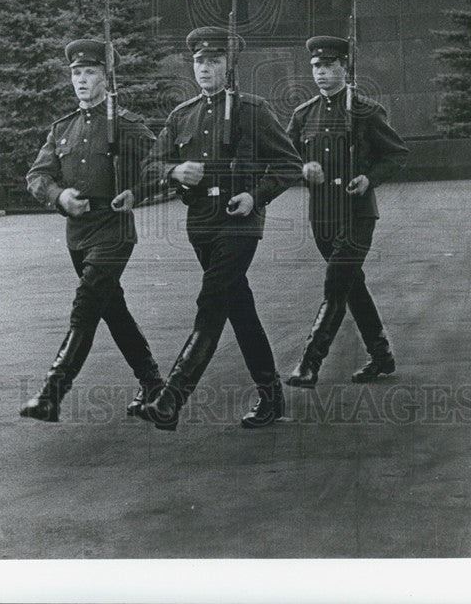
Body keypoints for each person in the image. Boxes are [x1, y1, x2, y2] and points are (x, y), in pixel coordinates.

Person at [135, 26, 303, 431]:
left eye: (214, 60)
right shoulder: (183, 115)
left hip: (240, 221)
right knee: (238, 306)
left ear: (230, 65)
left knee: (212, 302)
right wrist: (175, 169)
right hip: (201, 223)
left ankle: (171, 397)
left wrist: (255, 196)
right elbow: (149, 166)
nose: (205, 68)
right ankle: (272, 395)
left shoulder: (253, 110)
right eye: (198, 61)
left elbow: (289, 164)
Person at [20, 38, 163, 423]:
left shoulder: (127, 125)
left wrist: (139, 191)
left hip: (113, 229)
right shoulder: (62, 129)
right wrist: (58, 194)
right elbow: (37, 175)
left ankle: (51, 394)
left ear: (106, 78)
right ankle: (153, 383)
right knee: (111, 309)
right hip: (78, 235)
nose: (81, 80)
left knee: (85, 307)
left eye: (90, 73)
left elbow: (160, 165)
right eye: (76, 73)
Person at [285, 35, 409, 388]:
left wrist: (370, 178)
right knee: (351, 285)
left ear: (344, 67)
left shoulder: (366, 110)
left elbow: (397, 154)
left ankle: (310, 363)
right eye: (316, 68)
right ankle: (381, 355)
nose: (321, 73)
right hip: (323, 216)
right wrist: (302, 168)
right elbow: (284, 157)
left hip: (357, 214)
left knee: (336, 283)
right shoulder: (303, 114)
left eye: (328, 66)